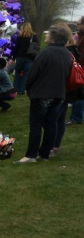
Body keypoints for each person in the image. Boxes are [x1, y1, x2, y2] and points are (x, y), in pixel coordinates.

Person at [16, 24, 73, 163]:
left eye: (48, 34)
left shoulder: (46, 52)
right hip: (59, 93)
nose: (45, 36)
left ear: (53, 38)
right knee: (51, 124)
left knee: (36, 124)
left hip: (42, 93)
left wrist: (28, 87)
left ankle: (31, 155)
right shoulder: (67, 53)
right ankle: (44, 154)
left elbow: (33, 73)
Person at [51, 24, 83, 155]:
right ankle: (55, 146)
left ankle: (51, 146)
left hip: (62, 87)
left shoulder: (67, 51)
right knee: (60, 119)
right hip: (70, 88)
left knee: (54, 118)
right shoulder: (74, 49)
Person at [11, 22, 39, 94]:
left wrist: (13, 58)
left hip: (20, 57)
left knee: (17, 73)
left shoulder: (20, 36)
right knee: (25, 74)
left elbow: (16, 48)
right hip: (29, 57)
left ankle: (15, 89)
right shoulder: (34, 36)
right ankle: (22, 90)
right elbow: (36, 48)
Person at [67, 16, 84, 125]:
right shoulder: (81, 37)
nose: (77, 26)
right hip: (79, 68)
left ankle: (76, 118)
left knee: (80, 95)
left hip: (81, 69)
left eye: (79, 24)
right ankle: (74, 117)